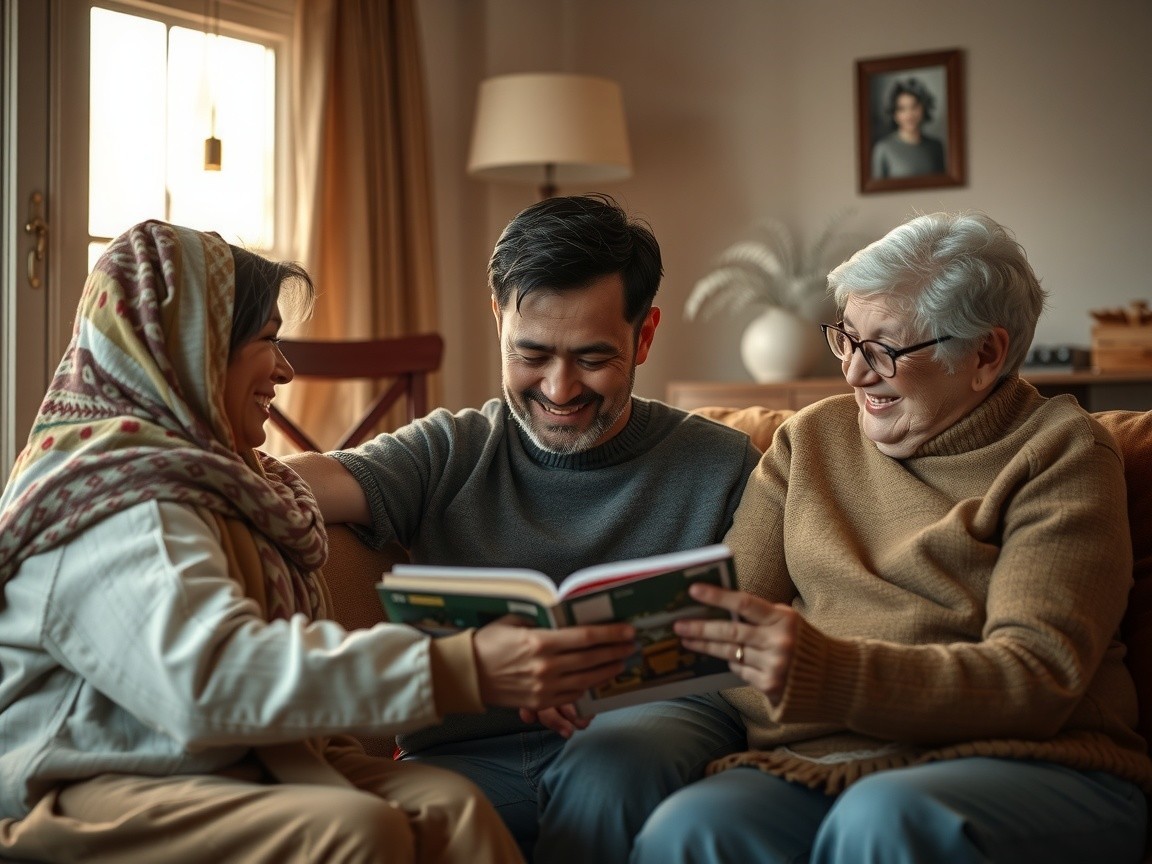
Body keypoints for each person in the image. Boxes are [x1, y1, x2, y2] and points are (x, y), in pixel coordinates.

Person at [0, 220, 641, 863]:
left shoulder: (231, 482)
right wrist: (465, 666)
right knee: (356, 831)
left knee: (454, 807)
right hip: (92, 776)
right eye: (266, 341)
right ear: (195, 350)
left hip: (218, 758)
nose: (284, 370)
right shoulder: (116, 497)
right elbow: (213, 681)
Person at [628, 211, 1152, 863]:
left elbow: (1038, 677)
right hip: (824, 762)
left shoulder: (1061, 455)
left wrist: (827, 674)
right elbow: (716, 613)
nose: (853, 373)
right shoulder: (810, 441)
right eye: (846, 338)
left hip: (1034, 763)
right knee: (691, 829)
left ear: (984, 355)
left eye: (884, 350)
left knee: (883, 821)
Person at [285, 193, 761, 861]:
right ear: (497, 321)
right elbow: (299, 483)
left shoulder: (723, 463)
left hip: (647, 734)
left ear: (644, 335)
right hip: (471, 754)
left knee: (610, 769)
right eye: (531, 355)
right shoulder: (450, 449)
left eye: (593, 358)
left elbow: (759, 631)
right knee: (400, 822)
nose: (560, 390)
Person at [870, 77, 946, 179]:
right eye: (902, 109)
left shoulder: (936, 147)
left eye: (914, 107)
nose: (909, 114)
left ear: (923, 109)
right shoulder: (883, 149)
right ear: (894, 114)